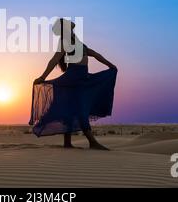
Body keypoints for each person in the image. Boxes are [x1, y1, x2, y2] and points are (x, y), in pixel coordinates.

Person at [29, 18, 118, 150]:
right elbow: (54, 60)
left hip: (83, 79)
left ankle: (68, 143)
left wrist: (110, 65)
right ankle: (92, 142)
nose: (71, 29)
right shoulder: (65, 43)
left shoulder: (78, 43)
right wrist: (43, 76)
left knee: (71, 110)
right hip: (72, 79)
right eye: (68, 28)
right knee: (80, 110)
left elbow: (95, 54)